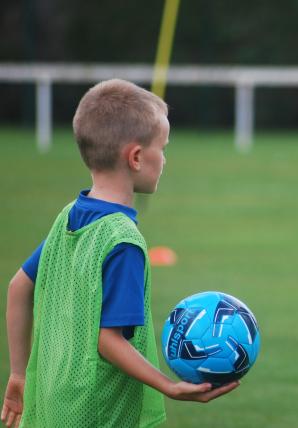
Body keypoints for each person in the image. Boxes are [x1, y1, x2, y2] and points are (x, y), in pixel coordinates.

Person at [1, 79, 238, 428]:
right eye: (163, 147)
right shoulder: (123, 241)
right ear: (137, 157)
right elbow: (108, 341)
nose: (165, 159)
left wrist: (19, 374)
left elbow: (18, 288)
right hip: (94, 411)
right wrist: (168, 386)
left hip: (51, 400)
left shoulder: (69, 217)